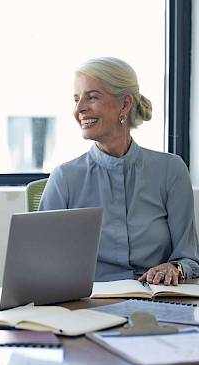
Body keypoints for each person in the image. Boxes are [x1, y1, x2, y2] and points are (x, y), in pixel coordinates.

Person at [40, 57, 199, 285]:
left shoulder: (171, 171)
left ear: (124, 104)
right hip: (88, 305)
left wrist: (174, 268)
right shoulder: (64, 178)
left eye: (92, 97)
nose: (80, 109)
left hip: (155, 301)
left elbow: (189, 258)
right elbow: (40, 263)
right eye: (76, 99)